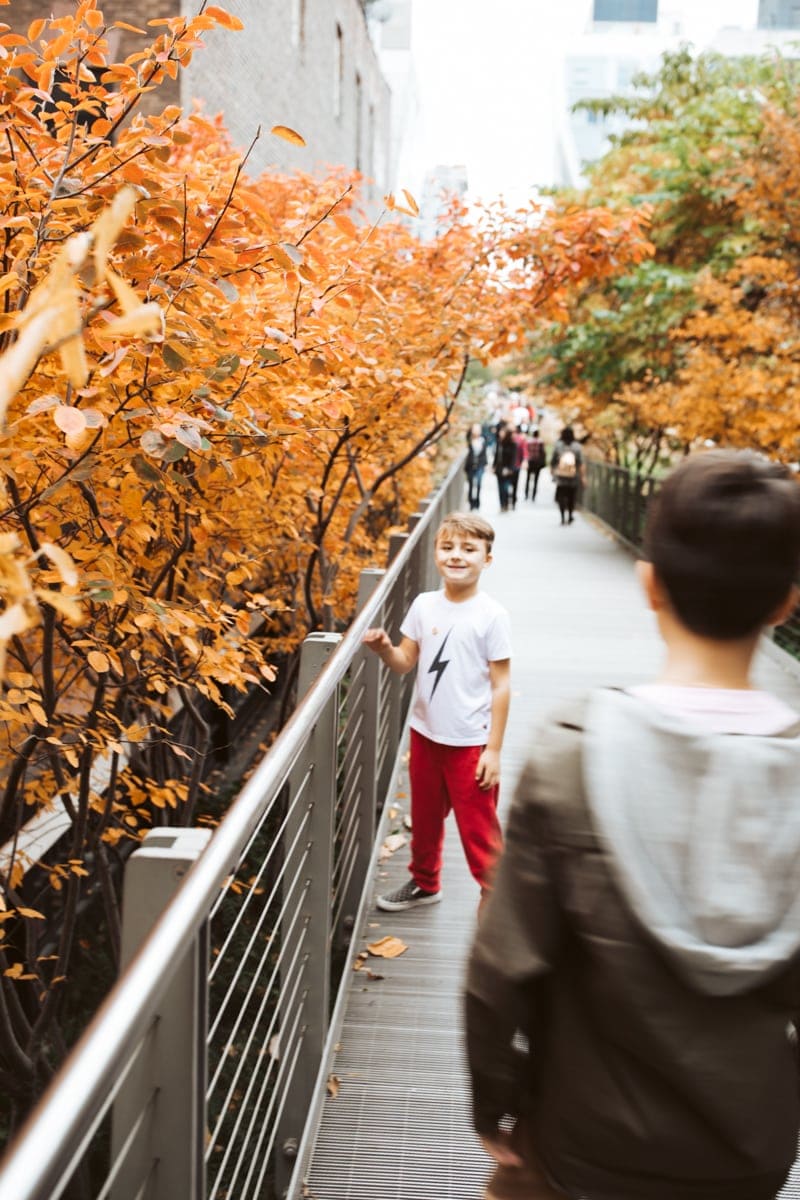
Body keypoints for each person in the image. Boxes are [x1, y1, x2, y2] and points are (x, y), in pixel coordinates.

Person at [465, 450, 800, 1200]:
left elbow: (501, 969)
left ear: (648, 585)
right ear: (784, 603)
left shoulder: (573, 754)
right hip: (748, 1151)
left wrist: (496, 1102)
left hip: (585, 1142)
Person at [363, 512, 512, 911]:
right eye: (447, 547)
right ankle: (425, 883)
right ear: (435, 554)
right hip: (426, 734)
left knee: (479, 831)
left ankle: (497, 904)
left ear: (487, 559)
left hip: (470, 743)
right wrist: (383, 649)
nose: (456, 556)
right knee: (425, 819)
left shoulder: (491, 615)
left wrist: (493, 750)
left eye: (468, 549)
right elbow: (405, 661)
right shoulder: (424, 605)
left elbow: (501, 685)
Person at [550, 425, 584, 525]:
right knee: (571, 496)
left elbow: (553, 460)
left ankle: (562, 517)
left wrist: (552, 470)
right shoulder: (577, 446)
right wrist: (583, 477)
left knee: (561, 496)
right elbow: (581, 463)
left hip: (560, 475)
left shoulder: (558, 445)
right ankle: (570, 515)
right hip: (573, 476)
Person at [465, 423, 489, 511]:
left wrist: (486, 464)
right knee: (471, 484)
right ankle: (471, 502)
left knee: (478, 483)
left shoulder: (483, 440)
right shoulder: (469, 440)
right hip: (470, 465)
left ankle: (477, 502)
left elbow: (484, 454)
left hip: (480, 465)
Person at [494, 425, 516, 513]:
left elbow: (513, 458)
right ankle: (501, 505)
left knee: (506, 488)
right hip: (499, 469)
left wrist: (510, 469)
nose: (500, 433)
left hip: (508, 470)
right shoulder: (499, 443)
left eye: (502, 432)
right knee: (500, 488)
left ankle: (506, 503)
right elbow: (497, 456)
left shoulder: (512, 445)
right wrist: (494, 466)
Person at [524, 428, 547, 501]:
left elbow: (526, 451)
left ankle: (526, 495)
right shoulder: (541, 442)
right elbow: (543, 453)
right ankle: (533, 496)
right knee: (536, 480)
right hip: (537, 463)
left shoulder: (529, 442)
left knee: (527, 479)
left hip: (530, 462)